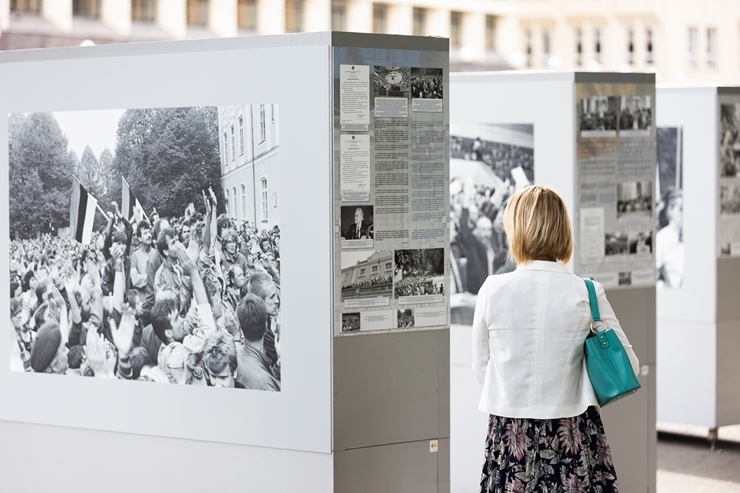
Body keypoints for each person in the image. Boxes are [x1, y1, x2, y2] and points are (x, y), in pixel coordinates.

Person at [472, 184, 638, 493]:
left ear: (516, 230)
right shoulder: (587, 292)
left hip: (510, 435)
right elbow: (630, 363)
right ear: (563, 231)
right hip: (572, 431)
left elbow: (481, 368)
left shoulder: (491, 290)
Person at [656, 187, 684, 288]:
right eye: (681, 209)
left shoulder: (691, 237)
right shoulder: (661, 238)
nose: (685, 214)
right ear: (670, 210)